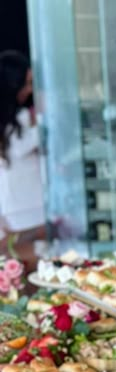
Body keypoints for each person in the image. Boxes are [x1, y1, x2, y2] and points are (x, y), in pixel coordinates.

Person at [0, 50, 45, 271]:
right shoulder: (17, 120)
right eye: (26, 84)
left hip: (26, 209)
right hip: (20, 212)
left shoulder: (20, 118)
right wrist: (44, 117)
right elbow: (20, 148)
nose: (29, 90)